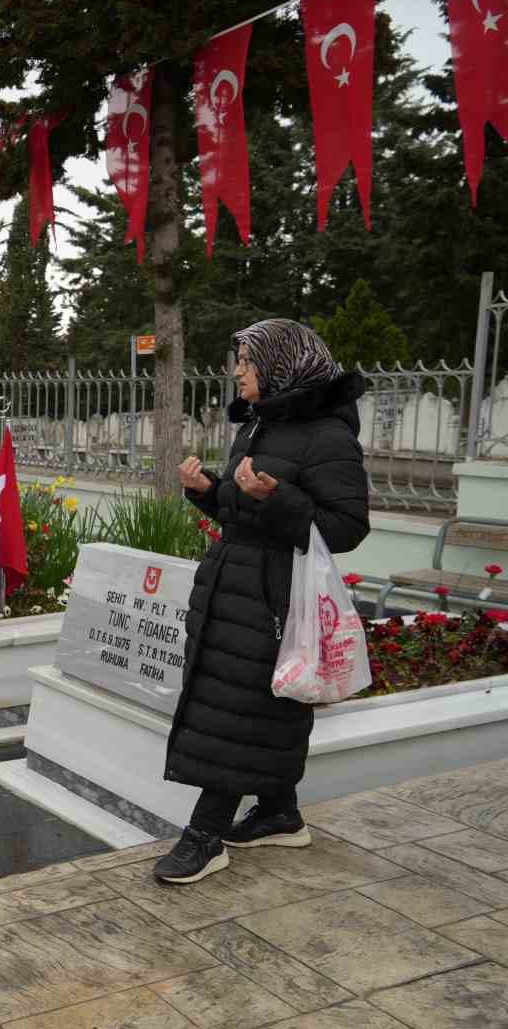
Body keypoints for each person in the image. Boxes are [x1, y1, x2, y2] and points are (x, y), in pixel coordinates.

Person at [153, 319, 369, 884]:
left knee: (243, 708)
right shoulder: (258, 426)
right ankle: (279, 811)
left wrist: (278, 499)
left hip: (278, 596)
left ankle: (205, 834)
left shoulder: (327, 435)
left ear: (280, 367)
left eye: (247, 363)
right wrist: (208, 492)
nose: (238, 373)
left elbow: (346, 527)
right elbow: (241, 510)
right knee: (252, 703)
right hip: (234, 585)